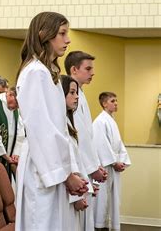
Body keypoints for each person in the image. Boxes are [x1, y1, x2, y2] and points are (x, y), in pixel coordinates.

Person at [15, 12, 88, 230]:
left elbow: (58, 130)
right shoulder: (35, 72)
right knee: (43, 223)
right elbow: (42, 129)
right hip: (43, 166)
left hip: (50, 164)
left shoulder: (47, 72)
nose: (67, 40)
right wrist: (66, 175)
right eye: (62, 33)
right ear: (44, 35)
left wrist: (70, 171)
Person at [65, 51, 108, 230]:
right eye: (88, 68)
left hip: (84, 168)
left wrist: (94, 166)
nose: (92, 73)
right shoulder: (70, 96)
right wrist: (91, 170)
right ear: (74, 69)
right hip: (78, 169)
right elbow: (78, 140)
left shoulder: (79, 95)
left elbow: (87, 137)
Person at [93, 92, 131, 231]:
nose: (116, 103)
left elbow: (118, 144)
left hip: (113, 166)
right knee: (102, 199)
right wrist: (114, 162)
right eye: (113, 101)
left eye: (116, 100)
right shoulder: (100, 121)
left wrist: (122, 161)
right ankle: (99, 225)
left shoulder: (111, 120)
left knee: (114, 198)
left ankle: (108, 225)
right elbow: (101, 145)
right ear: (104, 103)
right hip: (105, 167)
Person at [61, 75, 92, 230]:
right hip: (66, 193)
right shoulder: (59, 125)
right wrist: (76, 196)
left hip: (73, 190)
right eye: (72, 92)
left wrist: (86, 185)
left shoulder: (67, 122)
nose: (76, 96)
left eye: (76, 92)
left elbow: (76, 160)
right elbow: (68, 163)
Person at [0, 87, 25, 182]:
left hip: (9, 157)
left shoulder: (15, 108)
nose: (17, 107)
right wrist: (4, 154)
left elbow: (20, 133)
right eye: (17, 103)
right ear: (10, 94)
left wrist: (16, 153)